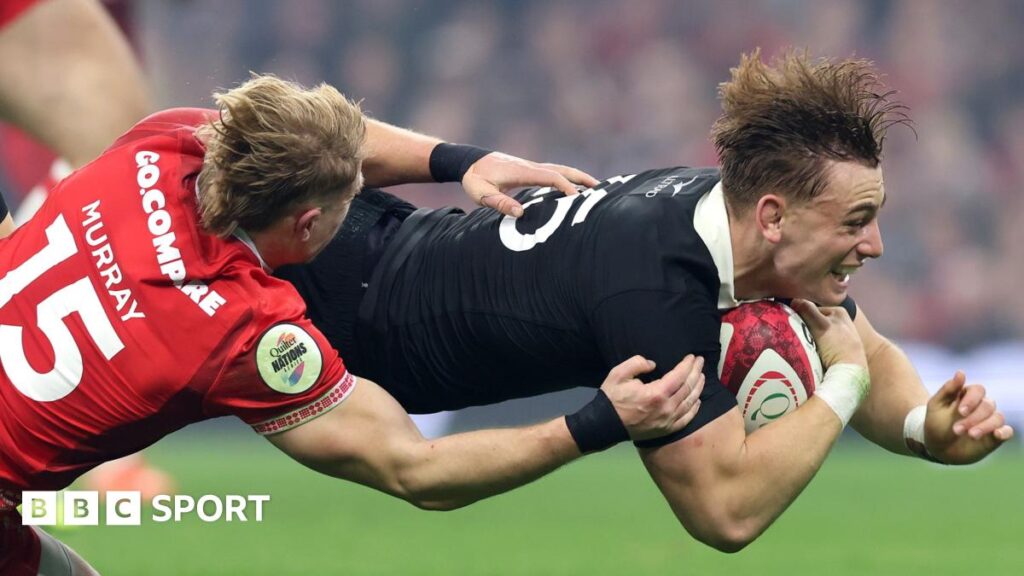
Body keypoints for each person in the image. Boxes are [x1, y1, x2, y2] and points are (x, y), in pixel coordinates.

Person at [277, 49, 1014, 553]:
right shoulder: (655, 295)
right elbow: (726, 513)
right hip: (322, 302)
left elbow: (862, 341)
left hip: (375, 235)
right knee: (234, 143)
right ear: (774, 218)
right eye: (856, 222)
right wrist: (842, 385)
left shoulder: (728, 215)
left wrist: (922, 428)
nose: (875, 245)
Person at [0, 75, 706, 575]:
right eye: (352, 196)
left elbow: (324, 143)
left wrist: (462, 161)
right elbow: (415, 470)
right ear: (308, 224)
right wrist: (600, 421)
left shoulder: (163, 146)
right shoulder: (245, 329)